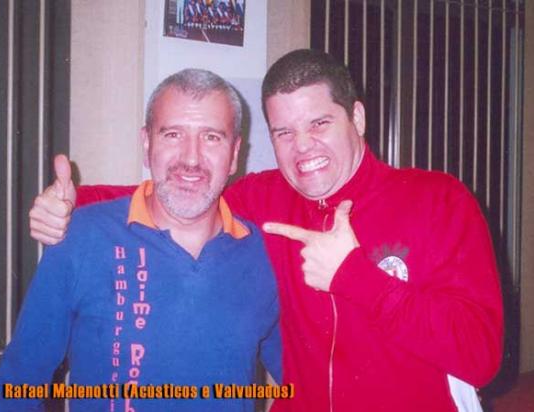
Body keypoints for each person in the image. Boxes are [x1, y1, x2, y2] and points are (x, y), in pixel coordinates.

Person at [27, 49, 503, 412]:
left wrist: (356, 278)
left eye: (320, 123)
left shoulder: (437, 201)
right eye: (284, 132)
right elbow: (180, 190)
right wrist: (72, 203)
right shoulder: (266, 198)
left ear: (356, 118)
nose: (303, 147)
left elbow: (481, 357)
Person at [0, 69, 281, 412]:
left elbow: (304, 378)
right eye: (173, 134)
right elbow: (19, 381)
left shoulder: (262, 254)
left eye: (211, 137)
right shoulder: (82, 239)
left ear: (234, 154)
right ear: (146, 144)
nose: (191, 158)